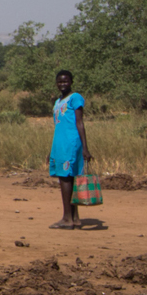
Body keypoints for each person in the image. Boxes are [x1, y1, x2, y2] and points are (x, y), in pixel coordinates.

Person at [48, 69, 92, 229]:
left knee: (66, 178)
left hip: (71, 142)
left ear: (71, 82)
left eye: (65, 81)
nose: (62, 84)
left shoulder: (75, 98)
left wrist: (85, 147)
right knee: (68, 178)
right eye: (60, 81)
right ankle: (74, 218)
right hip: (60, 142)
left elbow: (80, 122)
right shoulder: (58, 101)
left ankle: (67, 218)